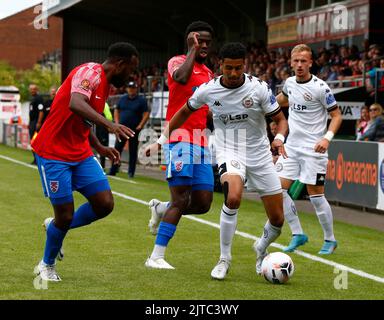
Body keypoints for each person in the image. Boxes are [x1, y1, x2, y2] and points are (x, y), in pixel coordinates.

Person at [146, 42, 288, 278]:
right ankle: (224, 259)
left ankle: (260, 248)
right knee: (232, 198)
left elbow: (281, 119)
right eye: (229, 68)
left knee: (277, 219)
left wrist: (280, 138)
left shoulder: (259, 88)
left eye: (238, 68)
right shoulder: (207, 89)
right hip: (229, 150)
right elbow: (182, 113)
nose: (233, 73)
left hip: (260, 154)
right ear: (220, 65)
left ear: (245, 65)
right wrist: (159, 142)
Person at [31, 42, 139, 281]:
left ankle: (54, 228)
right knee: (66, 215)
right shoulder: (89, 73)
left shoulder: (106, 86)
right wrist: (109, 124)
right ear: (120, 64)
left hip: (80, 152)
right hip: (53, 153)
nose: (132, 77)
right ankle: (46, 265)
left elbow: (81, 118)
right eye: (131, 70)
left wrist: (98, 146)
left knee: (104, 204)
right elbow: (75, 104)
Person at [144, 21, 215, 269]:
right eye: (199, 40)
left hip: (202, 142)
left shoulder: (209, 75)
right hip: (180, 139)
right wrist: (191, 51)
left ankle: (160, 208)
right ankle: (156, 257)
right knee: (181, 198)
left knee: (203, 202)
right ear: (189, 40)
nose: (204, 45)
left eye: (207, 41)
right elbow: (181, 78)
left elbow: (207, 112)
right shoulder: (177, 61)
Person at [275, 43, 343, 255]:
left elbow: (337, 115)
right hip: (291, 147)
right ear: (291, 63)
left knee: (315, 196)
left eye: (304, 61)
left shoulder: (320, 88)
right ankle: (298, 234)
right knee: (278, 189)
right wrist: (263, 104)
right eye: (296, 61)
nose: (299, 65)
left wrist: (327, 138)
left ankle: (330, 239)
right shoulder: (289, 83)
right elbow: (283, 100)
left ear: (311, 63)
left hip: (315, 149)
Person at [108, 81, 149, 177]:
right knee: (117, 149)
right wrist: (117, 123)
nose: (131, 90)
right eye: (130, 88)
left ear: (136, 89)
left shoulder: (141, 100)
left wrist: (141, 125)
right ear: (127, 89)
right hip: (122, 129)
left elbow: (146, 113)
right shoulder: (122, 99)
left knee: (133, 151)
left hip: (134, 129)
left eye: (133, 88)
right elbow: (116, 110)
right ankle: (113, 170)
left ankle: (131, 172)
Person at [28, 84, 44, 164]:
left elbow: (41, 111)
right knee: (32, 141)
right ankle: (35, 159)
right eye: (31, 89)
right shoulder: (33, 98)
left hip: (35, 123)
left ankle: (38, 159)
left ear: (36, 89)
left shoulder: (39, 98)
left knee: (35, 141)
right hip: (31, 122)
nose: (32, 91)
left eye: (33, 89)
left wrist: (38, 122)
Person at [96, 102, 113, 168]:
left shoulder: (103, 104)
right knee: (102, 146)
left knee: (101, 146)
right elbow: (109, 117)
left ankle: (102, 165)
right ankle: (102, 165)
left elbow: (109, 117)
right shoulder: (104, 103)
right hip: (102, 128)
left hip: (100, 128)